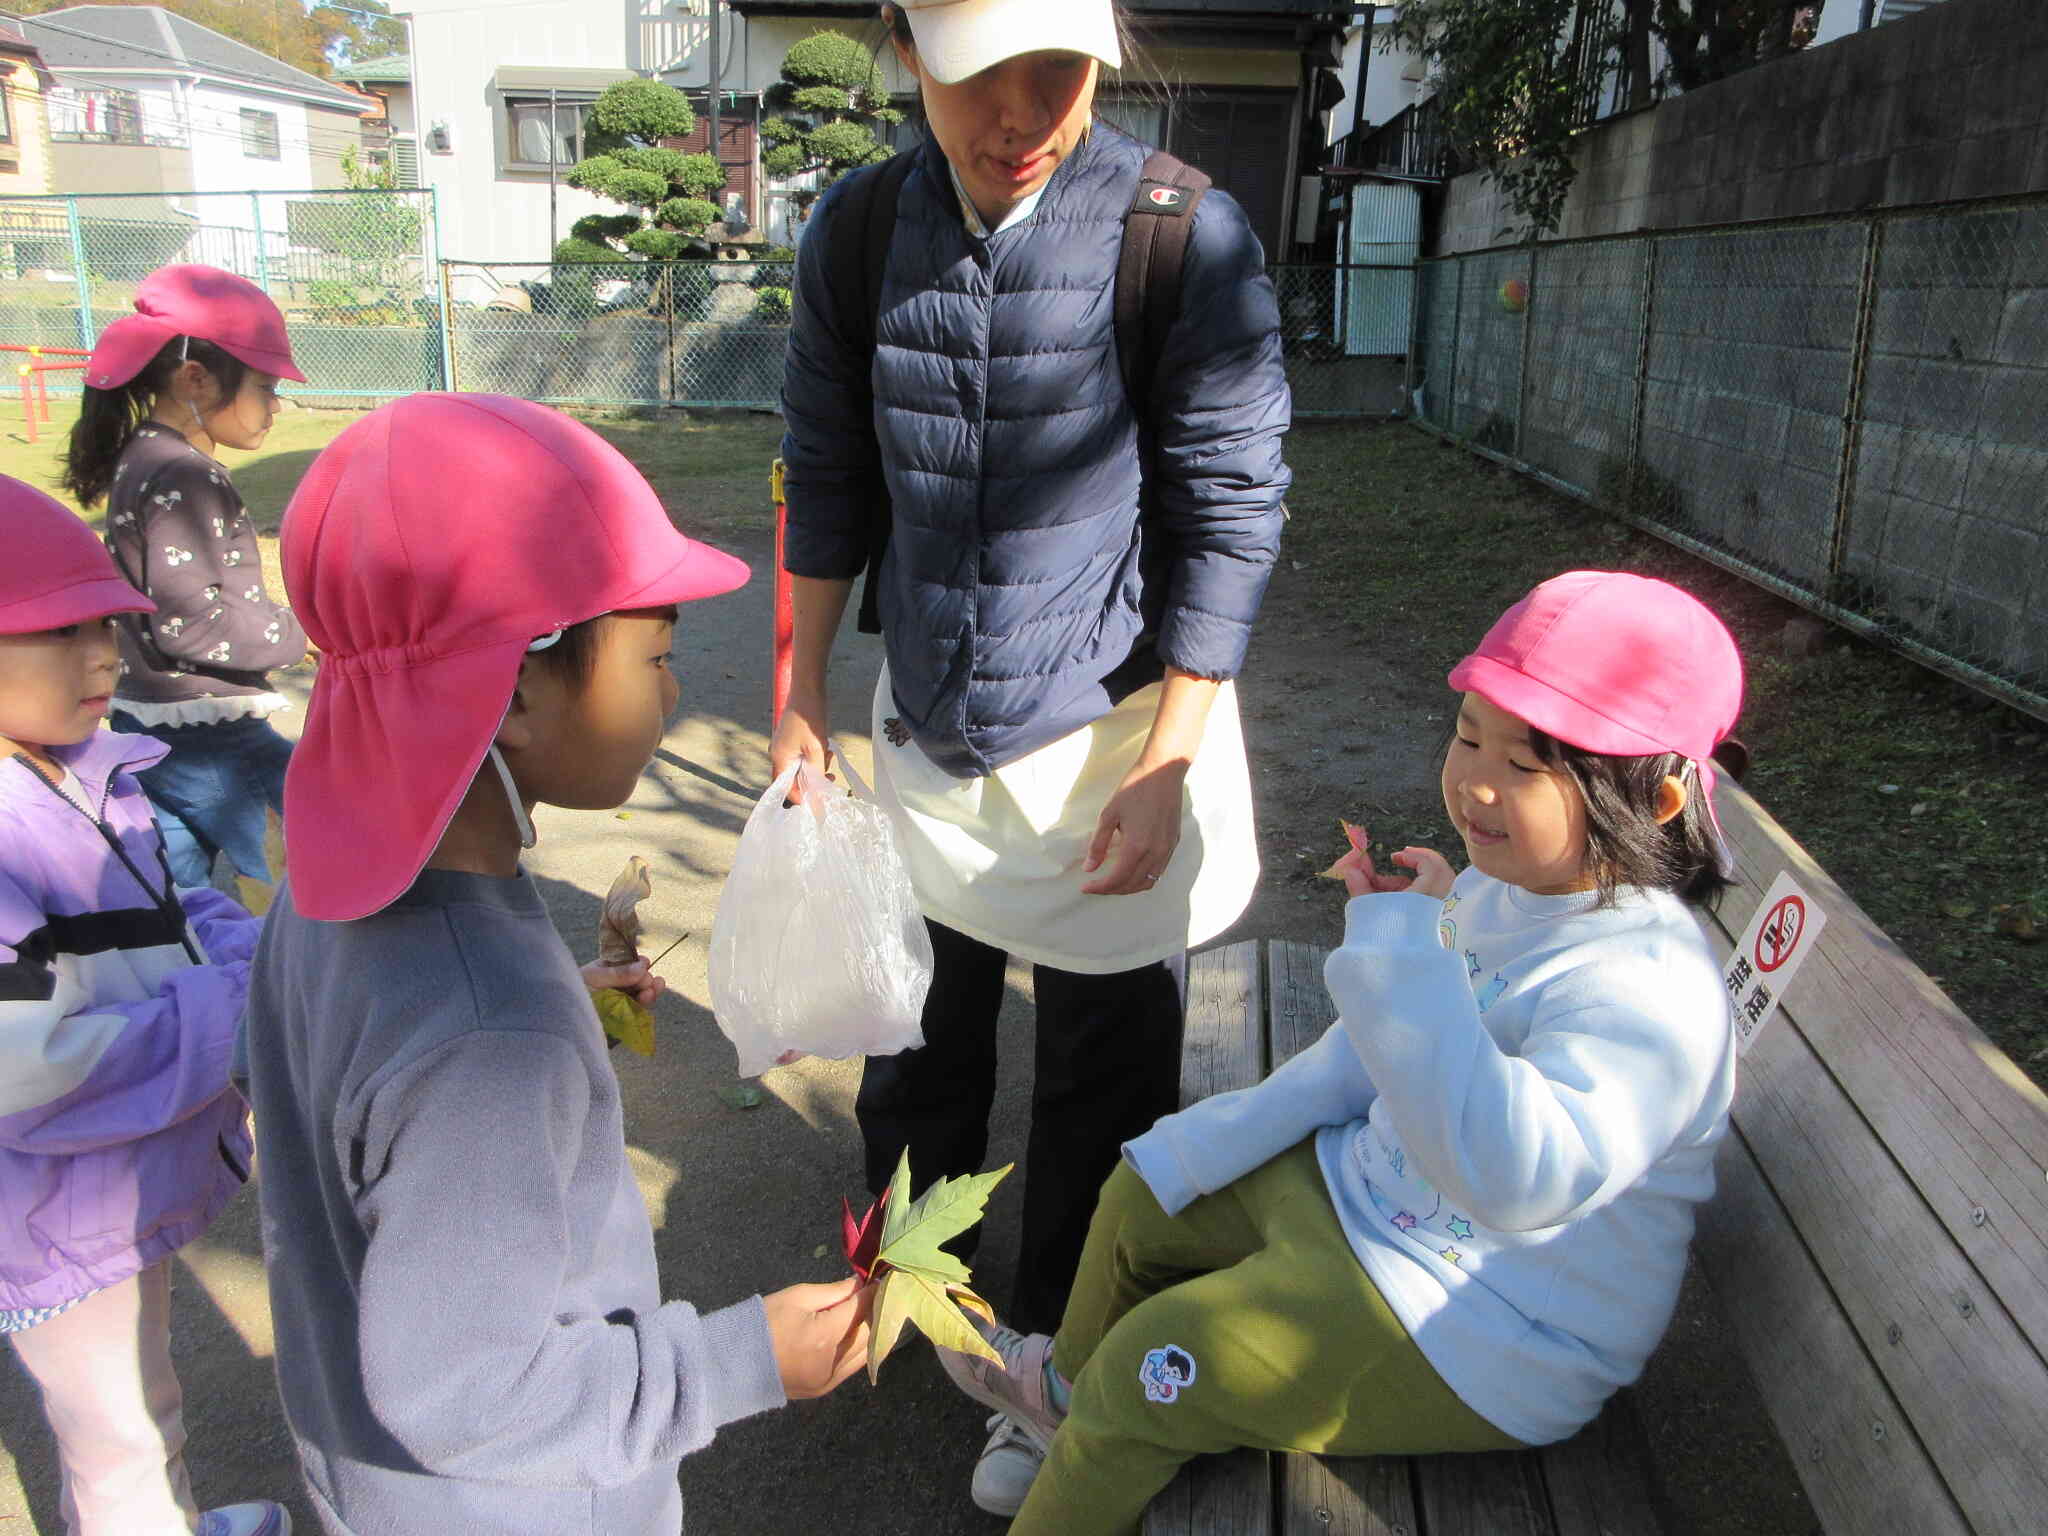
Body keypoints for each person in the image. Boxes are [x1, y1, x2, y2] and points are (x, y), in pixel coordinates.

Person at [935, 571, 1748, 1534]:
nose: (1477, 780)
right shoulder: (1517, 886)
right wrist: (1211, 1138)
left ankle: (1101, 1412)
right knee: (1144, 1188)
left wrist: (1407, 955)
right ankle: (1062, 1400)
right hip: (1378, 1202)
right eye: (1469, 735)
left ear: (1654, 801)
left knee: (1157, 1361)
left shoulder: (1647, 983)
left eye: (1529, 764)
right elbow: (1382, 1053)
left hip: (1492, 1325)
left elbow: (1520, 1176)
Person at [775, 0, 1289, 1507]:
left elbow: (1228, 507)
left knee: (1102, 1073)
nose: (1020, 113)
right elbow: (827, 462)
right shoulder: (862, 230)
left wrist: (1173, 757)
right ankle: (915, 1286)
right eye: (975, 73)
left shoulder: (1179, 237)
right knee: (915, 1042)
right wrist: (800, 680)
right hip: (932, 718)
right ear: (904, 50)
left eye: (1055, 70)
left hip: (1119, 727)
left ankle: (1052, 1361)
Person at [238, 394, 873, 1536]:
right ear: (517, 687)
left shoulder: (332, 889)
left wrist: (548, 1028)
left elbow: (361, 1089)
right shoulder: (489, 1036)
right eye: (659, 653)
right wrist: (740, 1362)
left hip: (366, 1481)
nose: (676, 691)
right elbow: (468, 1389)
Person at [0, 475, 290, 1536]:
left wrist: (260, 954)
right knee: (119, 1432)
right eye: (59, 634)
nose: (102, 658)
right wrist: (235, 1008)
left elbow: (167, 906)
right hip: (50, 1215)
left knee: (142, 1406)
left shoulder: (74, 771)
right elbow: (29, 1067)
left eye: (107, 631)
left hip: (101, 1195)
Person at [63, 264, 309, 909]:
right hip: (210, 732)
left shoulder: (145, 459)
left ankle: (200, 997)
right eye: (265, 386)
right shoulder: (184, 474)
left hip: (156, 721)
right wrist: (298, 634)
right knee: (323, 885)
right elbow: (194, 624)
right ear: (194, 378)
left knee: (175, 902)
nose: (276, 407)